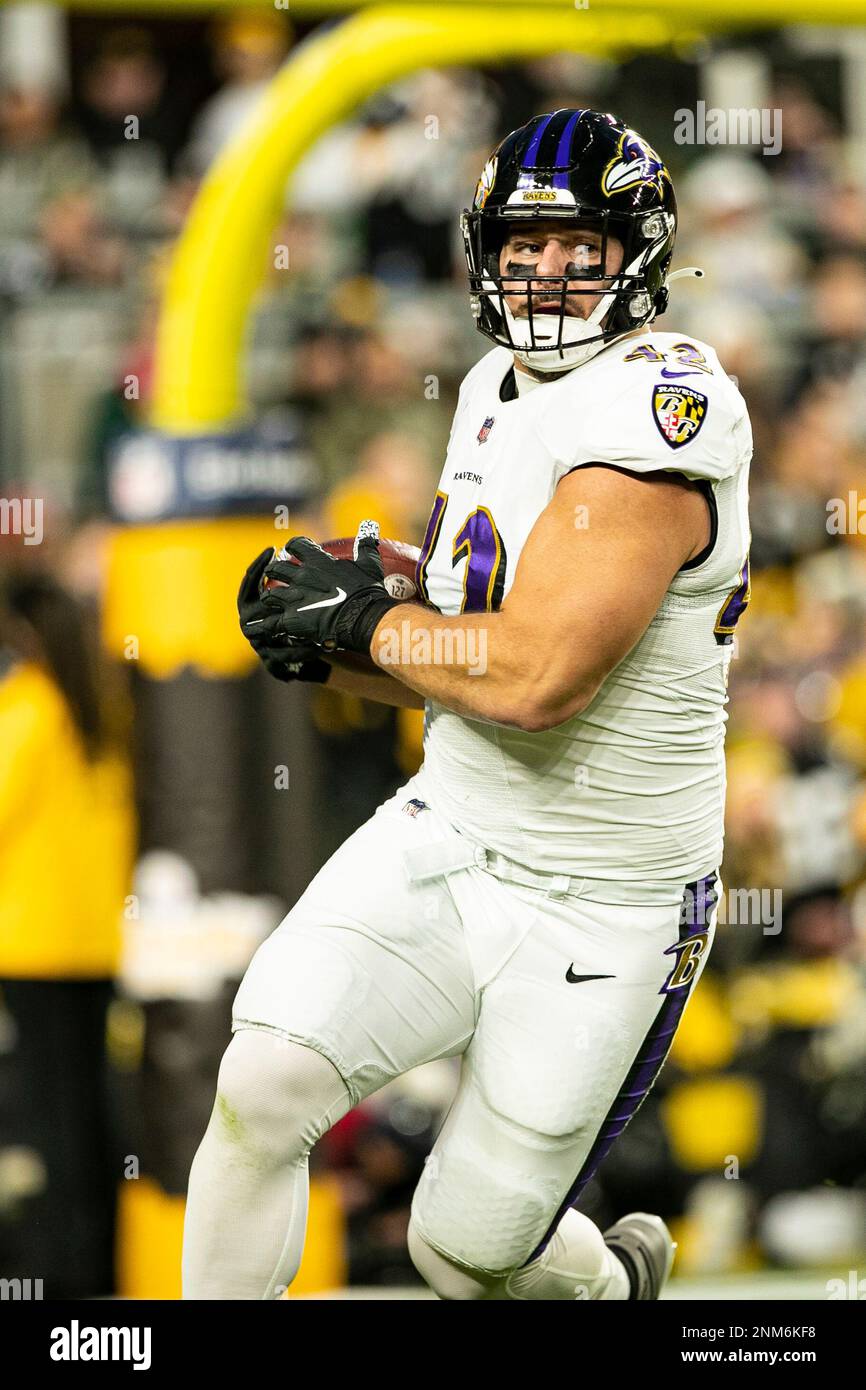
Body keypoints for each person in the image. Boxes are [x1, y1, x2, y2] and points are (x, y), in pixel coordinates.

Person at [183, 108, 753, 1300]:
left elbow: (541, 676)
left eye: (578, 246)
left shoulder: (657, 404)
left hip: (605, 902)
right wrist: (329, 631)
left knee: (465, 1253)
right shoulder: (495, 381)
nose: (545, 272)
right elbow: (466, 650)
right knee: (263, 1083)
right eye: (522, 244)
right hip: (453, 828)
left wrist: (366, 621)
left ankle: (609, 1288)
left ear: (635, 252)